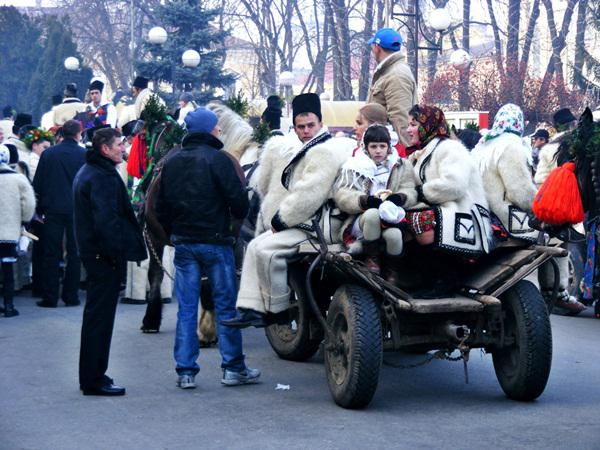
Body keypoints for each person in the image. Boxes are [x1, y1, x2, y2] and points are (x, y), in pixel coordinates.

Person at [222, 93, 355, 328]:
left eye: (310, 125)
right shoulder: (317, 146)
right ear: (294, 128)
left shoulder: (322, 151)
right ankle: (253, 308)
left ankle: (276, 310)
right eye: (301, 127)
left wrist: (280, 221)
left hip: (320, 227)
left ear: (321, 124)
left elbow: (309, 195)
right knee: (255, 245)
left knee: (265, 249)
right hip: (312, 220)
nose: (306, 131)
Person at [155, 107, 260, 389]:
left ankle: (186, 372)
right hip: (216, 243)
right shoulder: (220, 160)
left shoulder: (172, 161)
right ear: (210, 130)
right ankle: (233, 368)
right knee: (226, 307)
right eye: (216, 127)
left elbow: (159, 206)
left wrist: (173, 233)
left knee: (186, 309)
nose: (219, 130)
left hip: (184, 244)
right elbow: (239, 205)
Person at [73, 128, 147, 396]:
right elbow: (106, 221)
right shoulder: (101, 175)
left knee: (97, 318)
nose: (123, 149)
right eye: (118, 145)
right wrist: (116, 255)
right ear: (105, 149)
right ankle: (94, 379)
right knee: (99, 320)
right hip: (102, 257)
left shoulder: (93, 171)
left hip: (96, 254)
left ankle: (93, 375)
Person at [404, 105, 492, 297]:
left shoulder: (450, 148)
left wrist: (420, 192)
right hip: (441, 207)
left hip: (463, 210)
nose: (408, 129)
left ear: (428, 125)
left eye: (413, 124)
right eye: (408, 125)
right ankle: (419, 277)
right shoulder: (422, 151)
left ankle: (446, 279)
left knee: (421, 220)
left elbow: (455, 185)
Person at [335, 124, 416, 279]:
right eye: (373, 146)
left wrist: (399, 198)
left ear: (389, 147)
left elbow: (410, 189)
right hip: (362, 219)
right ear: (366, 147)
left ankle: (392, 271)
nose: (378, 151)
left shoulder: (400, 165)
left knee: (394, 235)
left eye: (382, 146)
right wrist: (364, 201)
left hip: (389, 218)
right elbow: (342, 194)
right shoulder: (354, 165)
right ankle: (372, 261)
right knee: (372, 214)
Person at [33, 120, 86, 308]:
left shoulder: (49, 154)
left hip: (53, 209)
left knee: (51, 253)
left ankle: (50, 297)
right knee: (74, 253)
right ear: (78, 134)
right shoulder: (84, 154)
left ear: (61, 134)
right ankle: (70, 296)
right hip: (76, 210)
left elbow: (38, 183)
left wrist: (39, 209)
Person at [472, 104, 539, 242]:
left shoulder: (483, 145)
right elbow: (519, 193)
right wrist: (539, 205)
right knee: (548, 233)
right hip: (504, 219)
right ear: (519, 123)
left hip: (478, 215)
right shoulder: (511, 146)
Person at [0, 145, 36, 317]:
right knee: (7, 268)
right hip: (8, 232)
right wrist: (24, 221)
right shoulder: (18, 179)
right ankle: (8, 306)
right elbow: (29, 204)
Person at [367, 28, 417, 146]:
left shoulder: (395, 75)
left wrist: (406, 157)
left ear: (377, 47)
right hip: (384, 150)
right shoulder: (391, 72)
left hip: (392, 154)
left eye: (372, 47)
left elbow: (402, 120)